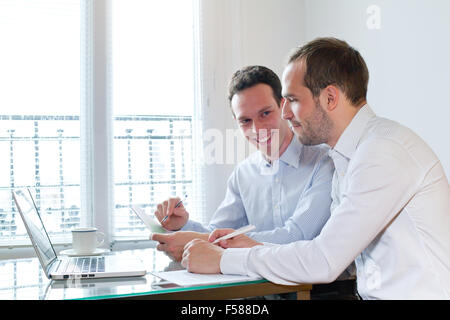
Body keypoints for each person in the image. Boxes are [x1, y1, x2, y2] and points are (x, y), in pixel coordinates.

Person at [181, 38, 450, 300]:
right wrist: (251, 245)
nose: (285, 113)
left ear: (330, 98)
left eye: (293, 100)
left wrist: (224, 259)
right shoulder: (346, 157)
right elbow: (325, 252)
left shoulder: (381, 152)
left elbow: (323, 260)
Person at [151, 65, 335, 264]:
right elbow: (216, 231)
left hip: (318, 290)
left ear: (284, 107)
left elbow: (297, 236)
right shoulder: (243, 174)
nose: (257, 129)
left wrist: (218, 241)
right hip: (260, 290)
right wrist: (183, 225)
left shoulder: (324, 161)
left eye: (265, 113)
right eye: (246, 121)